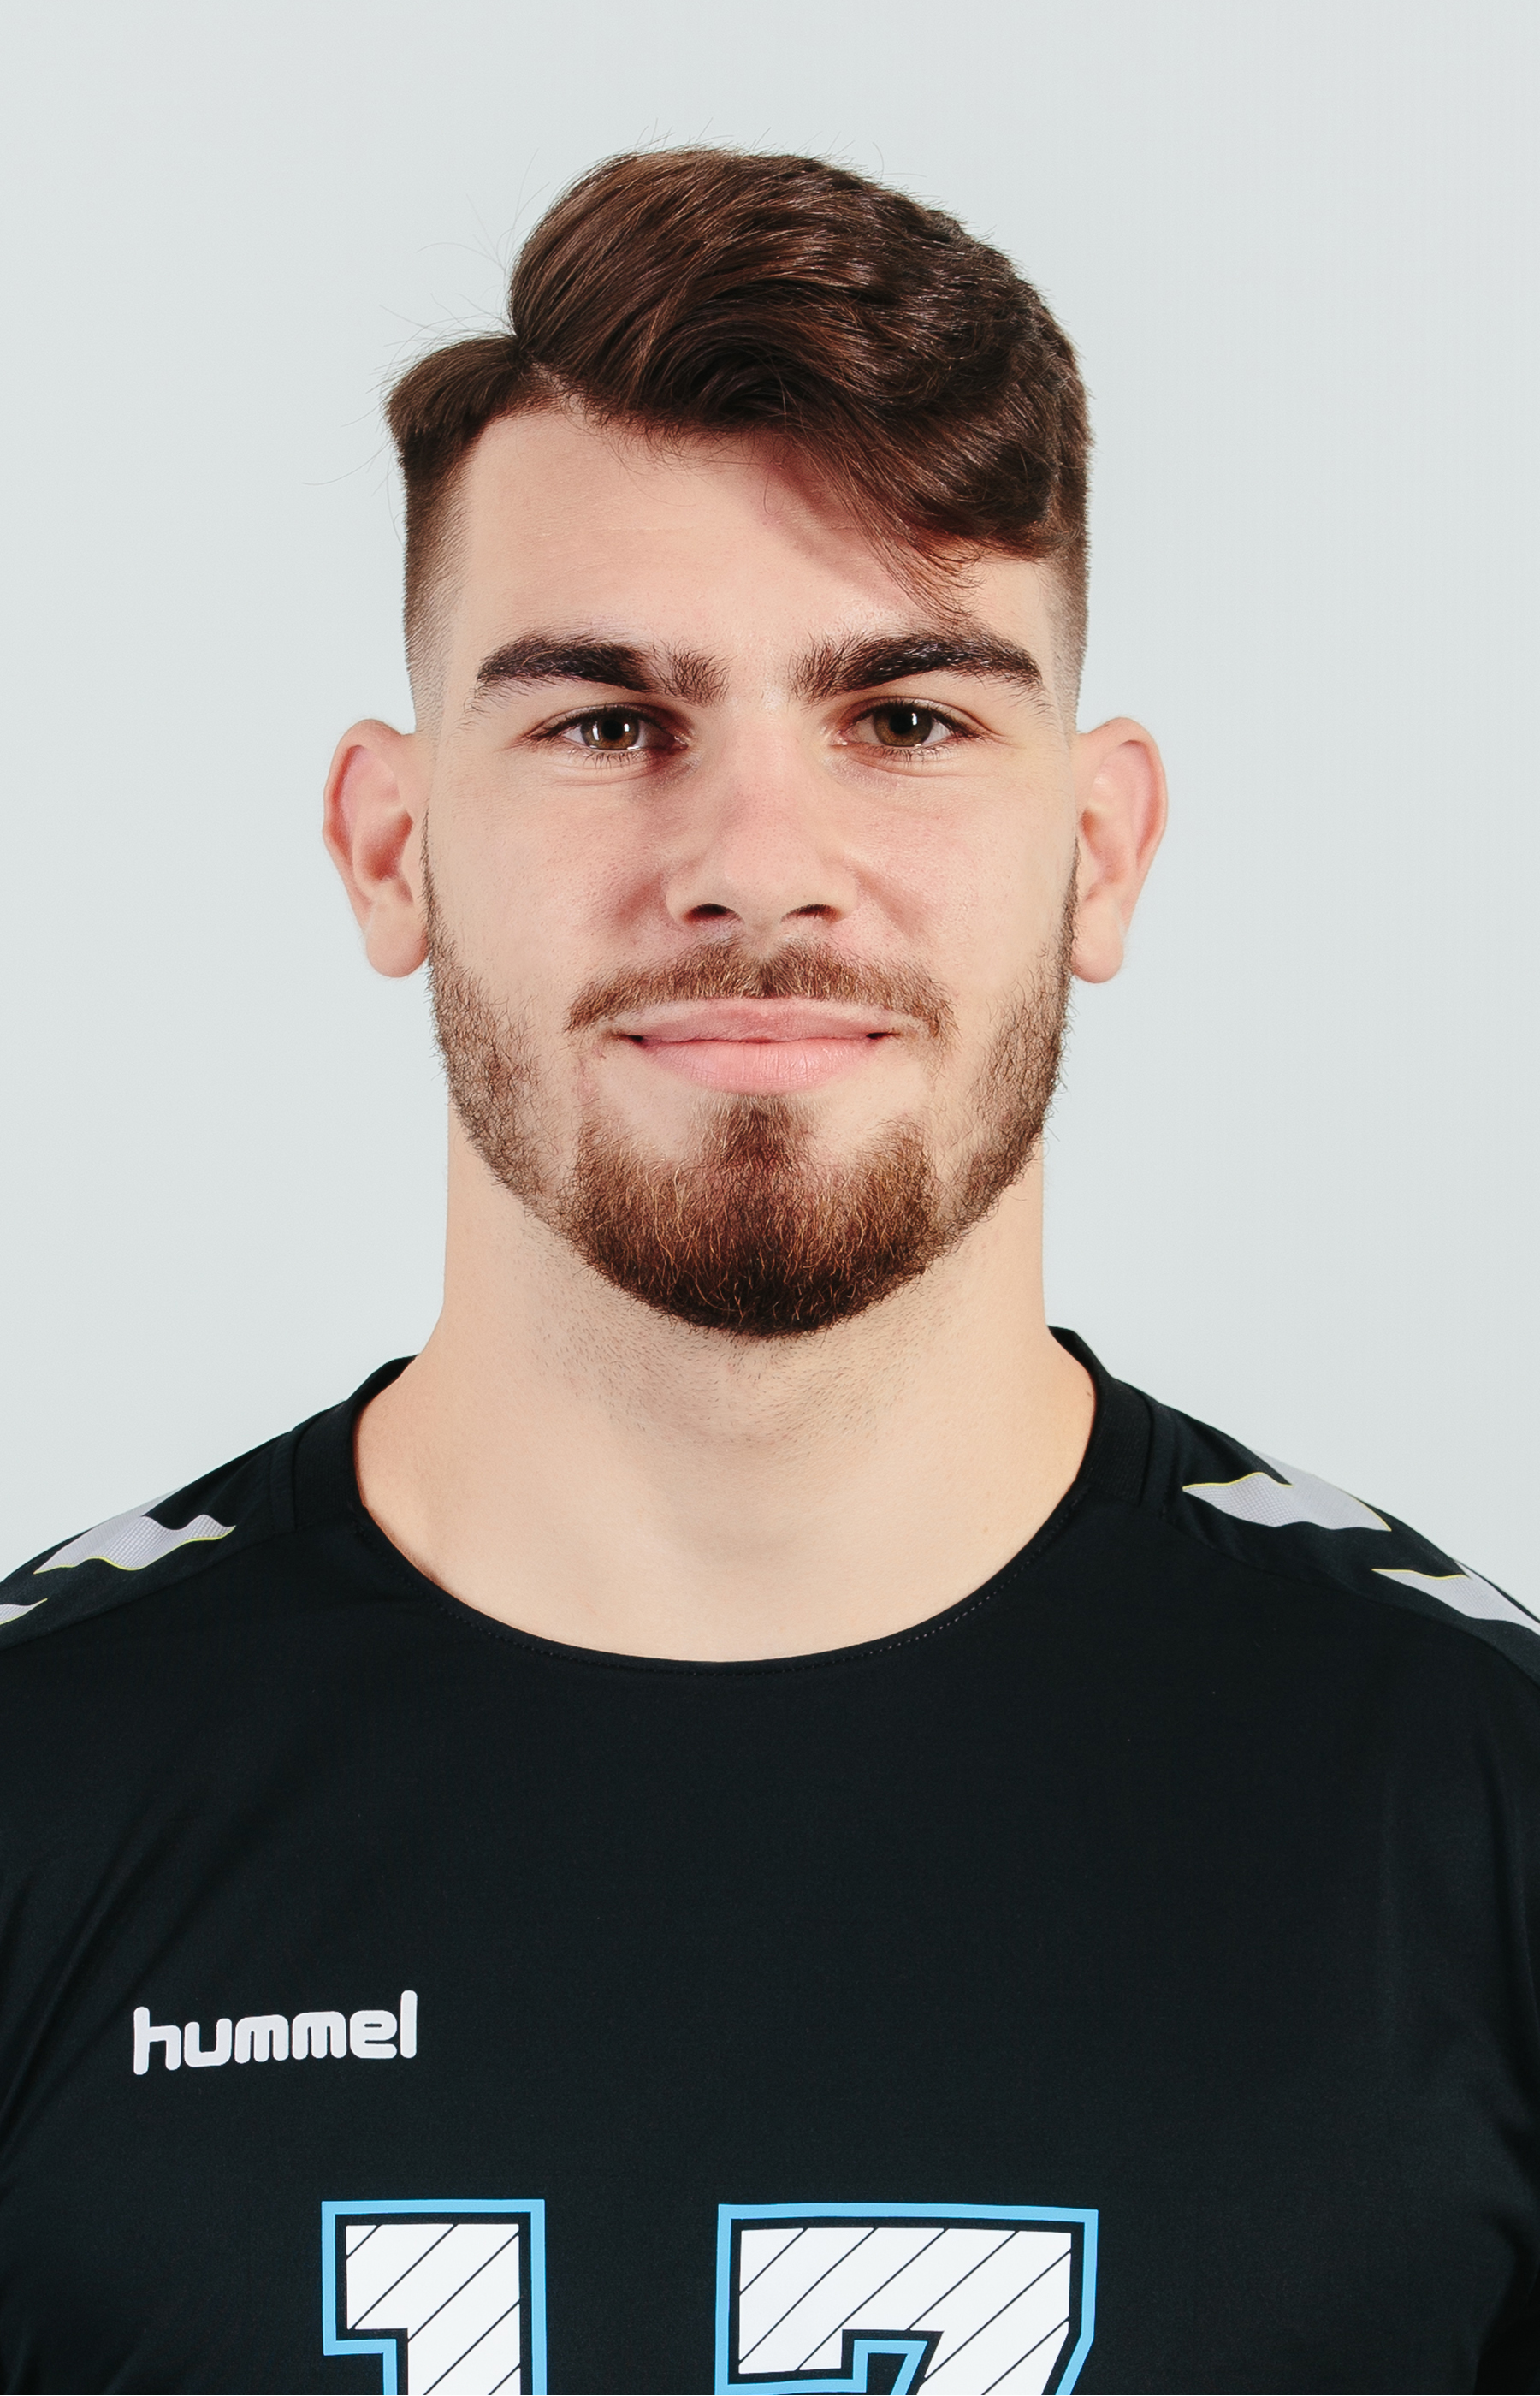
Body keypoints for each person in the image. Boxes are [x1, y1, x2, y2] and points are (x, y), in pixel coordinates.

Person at [0, 146, 1535, 2396]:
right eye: (606, 721)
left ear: (1098, 851)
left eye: (905, 717)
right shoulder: (43, 1786)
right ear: (391, 845)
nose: (752, 865)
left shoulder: (1472, 1806)